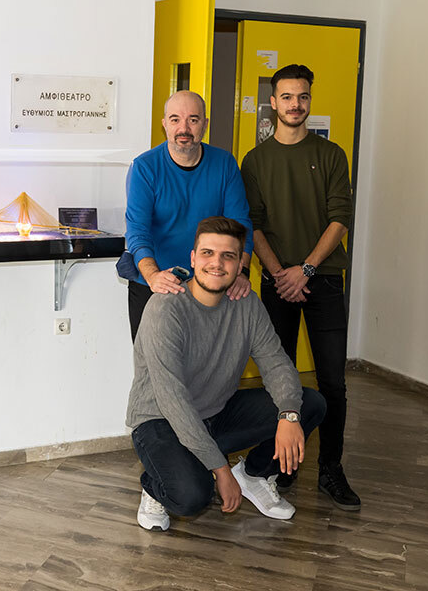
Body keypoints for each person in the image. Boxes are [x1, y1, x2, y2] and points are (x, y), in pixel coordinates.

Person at [126, 216, 326, 530]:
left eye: (228, 256)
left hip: (215, 414)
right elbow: (173, 401)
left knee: (309, 404)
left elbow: (276, 364)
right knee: (193, 495)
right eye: (208, 253)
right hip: (160, 421)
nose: (217, 264)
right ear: (193, 258)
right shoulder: (165, 308)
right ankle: (155, 486)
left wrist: (288, 415)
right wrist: (220, 470)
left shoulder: (246, 304)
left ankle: (254, 474)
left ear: (240, 264)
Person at [239, 64, 360, 511]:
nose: (295, 104)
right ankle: (282, 463)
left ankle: (331, 468)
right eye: (287, 97)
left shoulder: (331, 154)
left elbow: (340, 218)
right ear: (273, 102)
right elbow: (254, 225)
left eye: (303, 96)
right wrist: (279, 274)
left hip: (322, 280)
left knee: (332, 382)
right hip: (277, 283)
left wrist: (305, 270)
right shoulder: (255, 161)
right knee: (281, 378)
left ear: (310, 100)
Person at [124, 90, 254, 341]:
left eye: (193, 120)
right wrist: (153, 276)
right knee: (154, 361)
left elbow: (240, 225)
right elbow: (138, 231)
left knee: (210, 360)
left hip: (209, 284)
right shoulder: (144, 167)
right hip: (155, 284)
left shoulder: (225, 164)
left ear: (205, 124)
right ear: (164, 124)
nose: (183, 128)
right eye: (175, 119)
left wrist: (241, 271)